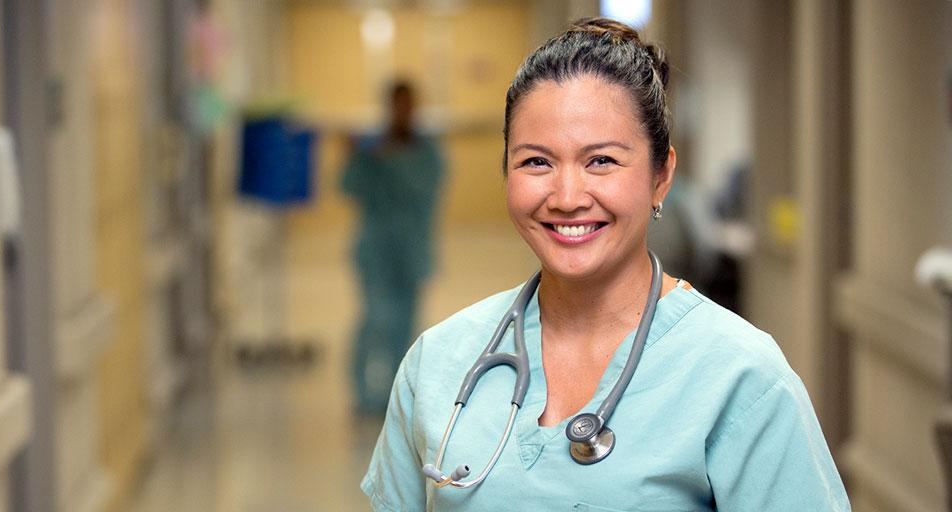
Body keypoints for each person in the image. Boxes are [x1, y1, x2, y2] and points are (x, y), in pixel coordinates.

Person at [361, 18, 850, 511]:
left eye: (601, 161)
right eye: (536, 162)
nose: (567, 197)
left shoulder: (740, 377)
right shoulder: (439, 363)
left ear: (661, 177)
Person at [343, 80, 445, 415]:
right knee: (375, 317)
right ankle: (363, 394)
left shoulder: (425, 150)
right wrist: (357, 156)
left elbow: (426, 189)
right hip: (375, 248)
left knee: (407, 323)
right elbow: (347, 186)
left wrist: (390, 160)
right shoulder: (369, 147)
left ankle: (395, 394)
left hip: (413, 248)